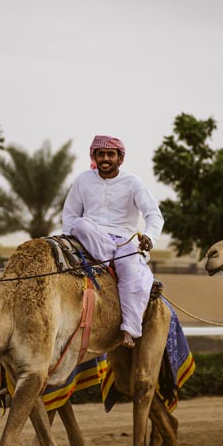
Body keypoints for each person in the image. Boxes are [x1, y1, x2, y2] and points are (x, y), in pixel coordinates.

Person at [62, 135, 164, 348]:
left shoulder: (133, 182)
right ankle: (105, 260)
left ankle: (130, 328)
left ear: (120, 158)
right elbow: (70, 215)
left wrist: (149, 237)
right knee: (80, 224)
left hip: (124, 240)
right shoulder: (83, 180)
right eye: (101, 154)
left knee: (129, 269)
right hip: (93, 239)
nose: (105, 158)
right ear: (95, 156)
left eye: (111, 154)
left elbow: (154, 215)